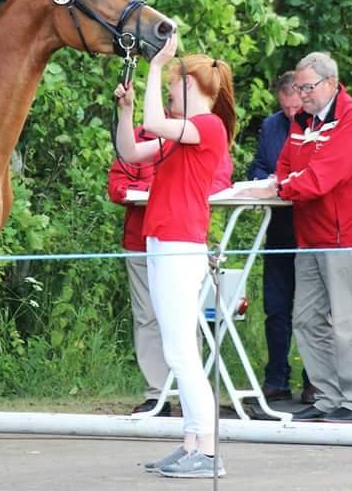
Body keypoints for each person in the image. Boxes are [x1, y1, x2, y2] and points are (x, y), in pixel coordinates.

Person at [114, 32, 236, 479]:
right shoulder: (181, 134)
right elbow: (130, 150)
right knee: (176, 346)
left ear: (194, 87)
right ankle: (192, 443)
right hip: (165, 240)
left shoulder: (206, 127)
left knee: (182, 351)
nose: (167, 91)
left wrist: (152, 66)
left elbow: (157, 121)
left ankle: (206, 449)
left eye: (172, 85)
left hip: (181, 244)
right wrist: (126, 111)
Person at [246, 51, 352, 423]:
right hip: (309, 234)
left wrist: (278, 189)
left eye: (307, 87)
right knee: (306, 319)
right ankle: (326, 395)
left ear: (331, 84)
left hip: (344, 235)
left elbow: (324, 175)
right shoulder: (303, 121)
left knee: (347, 322)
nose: (301, 94)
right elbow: (286, 162)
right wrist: (278, 182)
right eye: (300, 87)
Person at [108, 118, 233, 416]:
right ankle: (157, 394)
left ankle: (193, 395)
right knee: (148, 317)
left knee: (186, 319)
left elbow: (217, 180)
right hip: (141, 239)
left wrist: (169, 192)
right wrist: (151, 190)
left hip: (181, 238)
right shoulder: (146, 135)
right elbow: (118, 183)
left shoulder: (204, 132)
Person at [246, 71, 315, 404]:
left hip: (309, 225)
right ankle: (276, 377)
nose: (291, 113)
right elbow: (257, 166)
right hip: (278, 226)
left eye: (295, 106)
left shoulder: (317, 124)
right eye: (284, 107)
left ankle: (314, 378)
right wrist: (267, 177)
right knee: (276, 307)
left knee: (310, 309)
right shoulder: (272, 126)